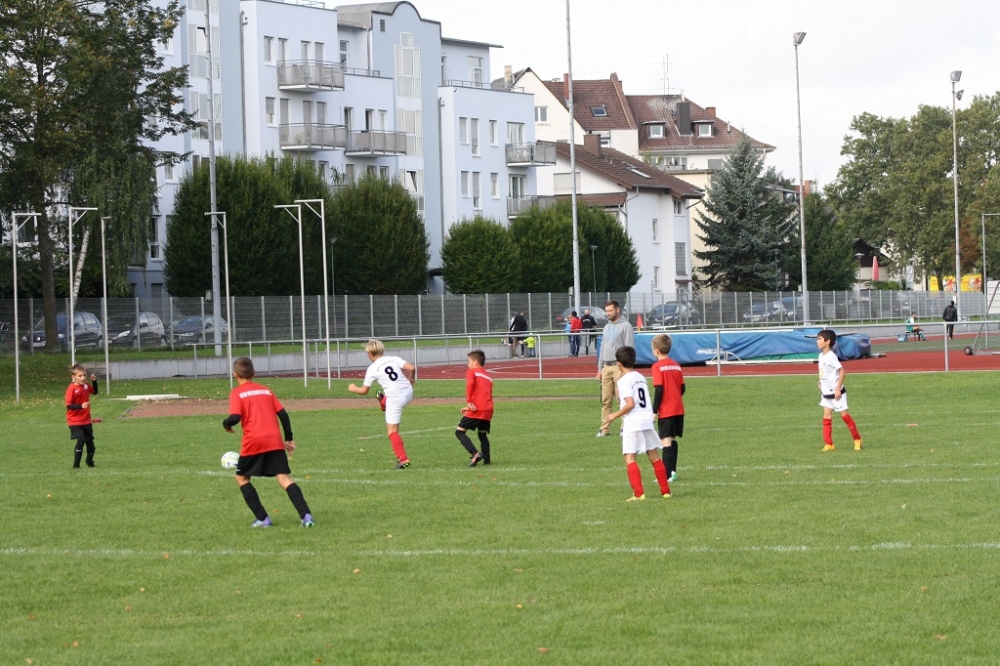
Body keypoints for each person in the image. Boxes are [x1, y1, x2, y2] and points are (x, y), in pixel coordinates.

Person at [223, 357, 314, 528]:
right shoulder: (266, 390)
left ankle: (263, 519)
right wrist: (289, 438)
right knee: (284, 478)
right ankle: (306, 516)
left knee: (241, 478)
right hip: (274, 439)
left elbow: (235, 417)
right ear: (254, 373)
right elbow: (283, 414)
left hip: (253, 441)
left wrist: (226, 424)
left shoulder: (237, 393)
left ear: (235, 374)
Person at [606, 345, 671, 502]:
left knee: (629, 457)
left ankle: (638, 494)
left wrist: (614, 415)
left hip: (633, 422)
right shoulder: (641, 377)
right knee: (654, 456)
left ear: (619, 364)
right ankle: (665, 492)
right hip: (646, 421)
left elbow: (630, 404)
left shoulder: (623, 381)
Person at [349, 339, 416, 469]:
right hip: (408, 392)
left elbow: (364, 391)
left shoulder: (372, 369)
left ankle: (403, 459)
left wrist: (352, 388)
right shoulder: (393, 359)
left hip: (395, 399)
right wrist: (412, 379)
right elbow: (412, 368)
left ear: (370, 354)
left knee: (392, 432)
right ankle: (384, 401)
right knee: (391, 402)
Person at [816, 329, 863, 452]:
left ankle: (857, 439)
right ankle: (829, 444)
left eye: (819, 339)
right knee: (826, 417)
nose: (817, 341)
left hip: (837, 393)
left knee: (845, 416)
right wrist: (821, 380)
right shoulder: (820, 356)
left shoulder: (831, 356)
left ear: (827, 341)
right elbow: (825, 372)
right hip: (826, 393)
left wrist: (838, 389)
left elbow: (842, 371)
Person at [596, 300, 635, 437]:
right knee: (605, 400)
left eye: (610, 311)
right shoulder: (606, 327)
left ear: (617, 310)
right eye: (606, 311)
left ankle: (625, 428)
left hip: (620, 367)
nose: (608, 313)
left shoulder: (626, 326)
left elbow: (629, 348)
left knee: (622, 399)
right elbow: (602, 349)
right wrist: (600, 368)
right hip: (606, 367)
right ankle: (604, 429)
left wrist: (627, 370)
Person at [650, 334, 685, 483]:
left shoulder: (657, 367)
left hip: (666, 409)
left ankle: (666, 476)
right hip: (678, 408)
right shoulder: (676, 365)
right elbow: (682, 388)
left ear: (656, 351)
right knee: (673, 439)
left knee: (665, 441)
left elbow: (659, 389)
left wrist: (654, 410)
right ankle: (673, 472)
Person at [455, 350, 494, 467]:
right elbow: (483, 394)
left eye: (469, 362)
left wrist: (469, 402)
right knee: (482, 434)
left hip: (477, 408)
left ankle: (475, 453)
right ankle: (487, 461)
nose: (468, 365)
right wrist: (469, 407)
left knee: (459, 432)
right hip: (488, 409)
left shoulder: (472, 372)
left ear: (476, 362)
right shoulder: (488, 376)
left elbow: (470, 385)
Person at [66, 364, 99, 469]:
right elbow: (69, 405)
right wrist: (81, 406)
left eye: (84, 375)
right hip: (74, 421)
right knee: (81, 440)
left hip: (86, 420)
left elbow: (95, 392)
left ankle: (89, 461)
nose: (83, 378)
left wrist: (94, 381)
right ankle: (76, 466)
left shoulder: (86, 386)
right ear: (73, 377)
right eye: (80, 376)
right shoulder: (71, 388)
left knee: (91, 444)